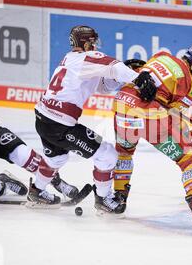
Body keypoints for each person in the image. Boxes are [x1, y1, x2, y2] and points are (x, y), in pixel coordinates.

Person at [31, 25, 157, 213]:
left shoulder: (70, 58)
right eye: (92, 41)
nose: (95, 45)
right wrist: (139, 77)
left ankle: (36, 191)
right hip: (60, 125)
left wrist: (125, 75)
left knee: (56, 158)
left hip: (43, 119)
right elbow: (114, 66)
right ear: (84, 42)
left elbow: (103, 87)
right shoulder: (86, 58)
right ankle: (103, 200)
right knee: (107, 155)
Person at [113, 45, 192, 228]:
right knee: (187, 158)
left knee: (124, 153)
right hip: (149, 117)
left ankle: (118, 199)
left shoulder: (161, 55)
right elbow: (176, 118)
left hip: (122, 107)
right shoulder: (188, 84)